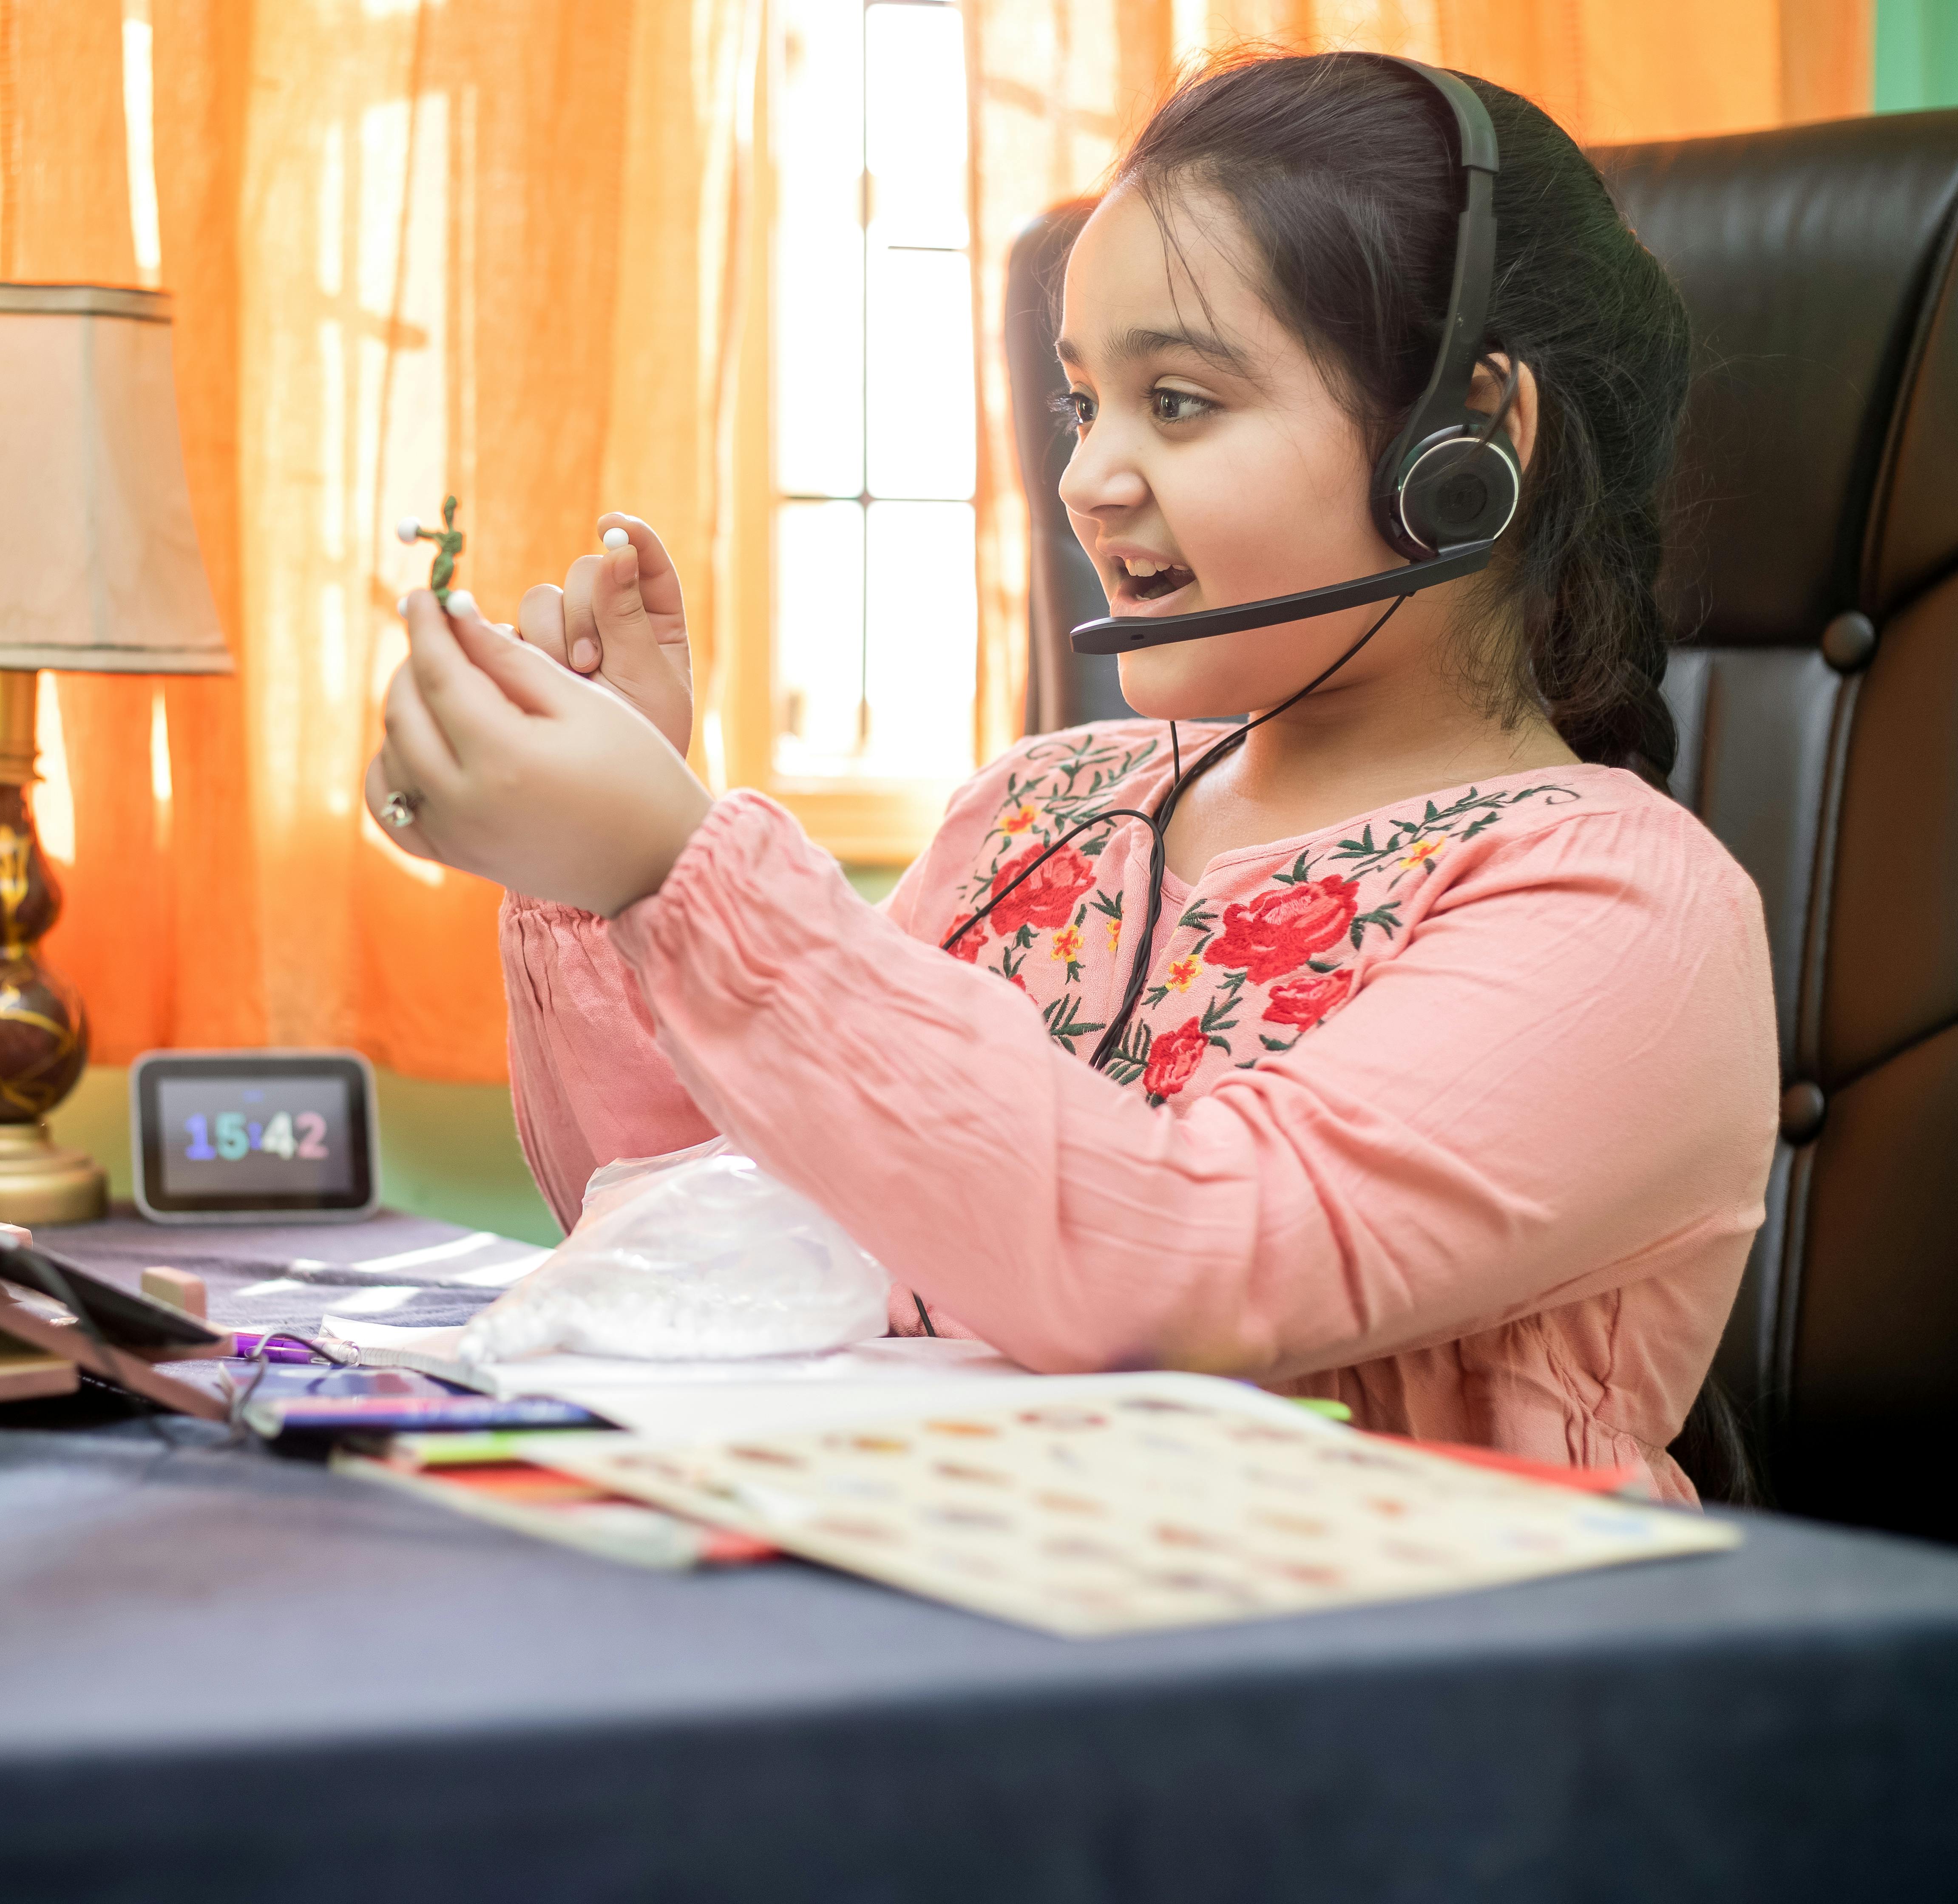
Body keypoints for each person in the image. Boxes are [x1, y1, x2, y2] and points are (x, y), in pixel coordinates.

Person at [360, 51, 1778, 1504]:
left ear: (1472, 437)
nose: (1089, 478)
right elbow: (718, 1231)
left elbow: (1183, 1273)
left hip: (1384, 1685)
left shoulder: (1623, 908)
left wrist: (675, 862)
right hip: (953, 1614)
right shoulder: (1037, 809)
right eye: (1083, 404)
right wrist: (603, 882)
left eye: (1179, 400)